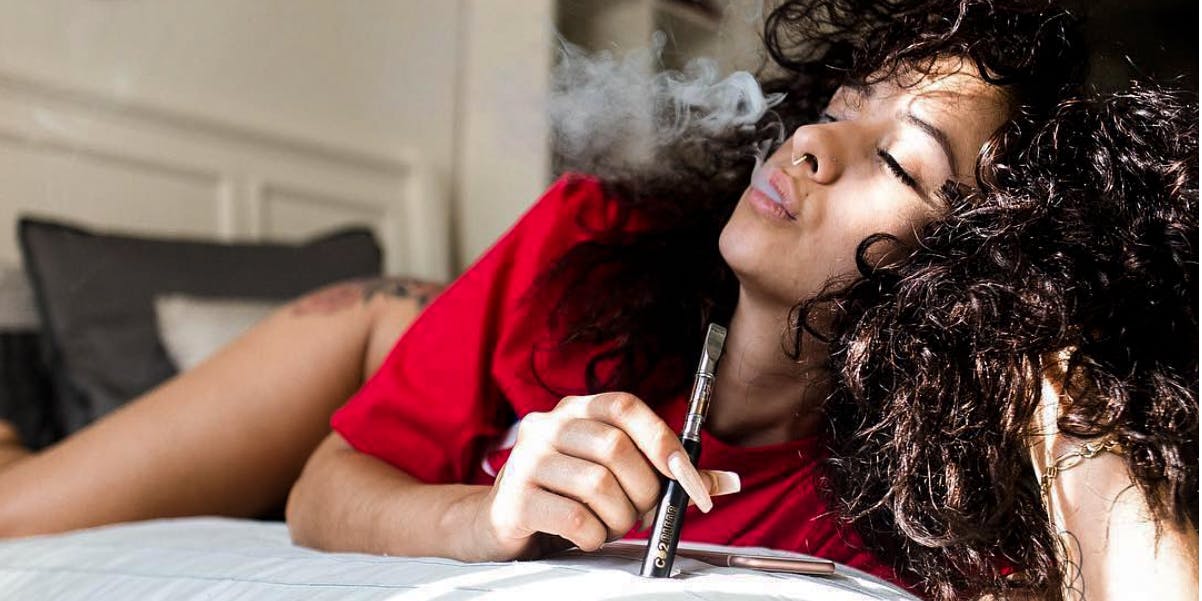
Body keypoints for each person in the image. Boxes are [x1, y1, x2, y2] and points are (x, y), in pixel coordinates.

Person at [0, 1, 1194, 600]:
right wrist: (484, 517)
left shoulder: (921, 493)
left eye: (899, 161)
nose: (819, 139)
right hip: (371, 329)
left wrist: (1049, 354)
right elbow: (322, 490)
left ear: (974, 270)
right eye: (845, 97)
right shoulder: (588, 231)